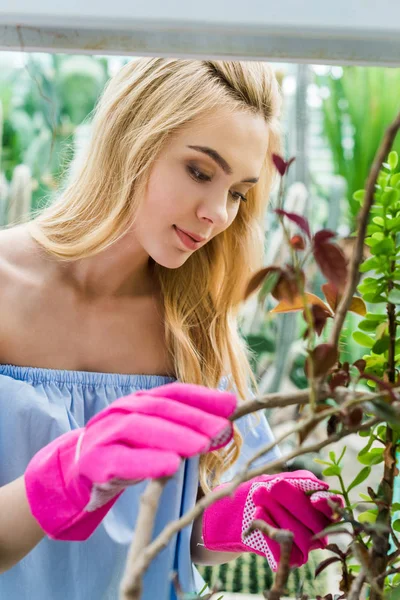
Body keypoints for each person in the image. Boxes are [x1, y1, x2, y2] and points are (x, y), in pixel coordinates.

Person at [0, 57, 341, 600]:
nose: (219, 215)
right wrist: (58, 483)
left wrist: (241, 517)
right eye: (201, 172)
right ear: (129, 140)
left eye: (238, 192)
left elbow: (176, 529)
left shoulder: (195, 324)